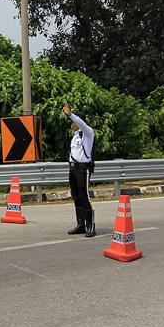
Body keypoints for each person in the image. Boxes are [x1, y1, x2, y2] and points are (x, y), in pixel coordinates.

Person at [63, 101, 96, 237]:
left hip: (83, 169)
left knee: (84, 197)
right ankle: (81, 224)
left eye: (74, 121)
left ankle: (90, 226)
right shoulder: (75, 136)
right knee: (76, 196)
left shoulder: (88, 133)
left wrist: (71, 115)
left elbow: (82, 124)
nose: (72, 124)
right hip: (73, 169)